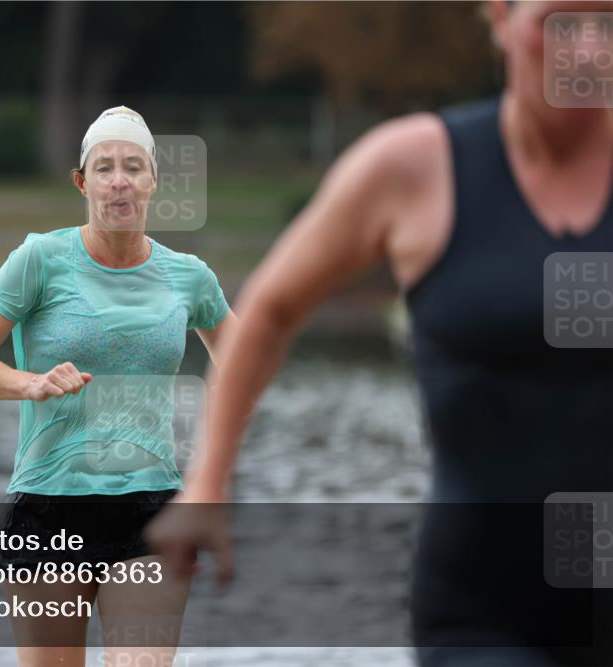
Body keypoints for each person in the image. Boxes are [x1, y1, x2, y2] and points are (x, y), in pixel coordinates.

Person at [147, 2, 612, 666]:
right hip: (483, 612)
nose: (589, 51)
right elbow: (271, 306)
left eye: (610, 24)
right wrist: (207, 484)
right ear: (501, 18)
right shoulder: (413, 167)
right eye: (561, 23)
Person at [0, 106, 236, 667]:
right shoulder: (40, 259)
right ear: (83, 182)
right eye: (104, 167)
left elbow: (244, 365)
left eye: (133, 166)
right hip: (49, 506)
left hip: (151, 505)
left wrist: (209, 468)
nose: (119, 179)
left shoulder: (188, 276)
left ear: (153, 180)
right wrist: (29, 383)